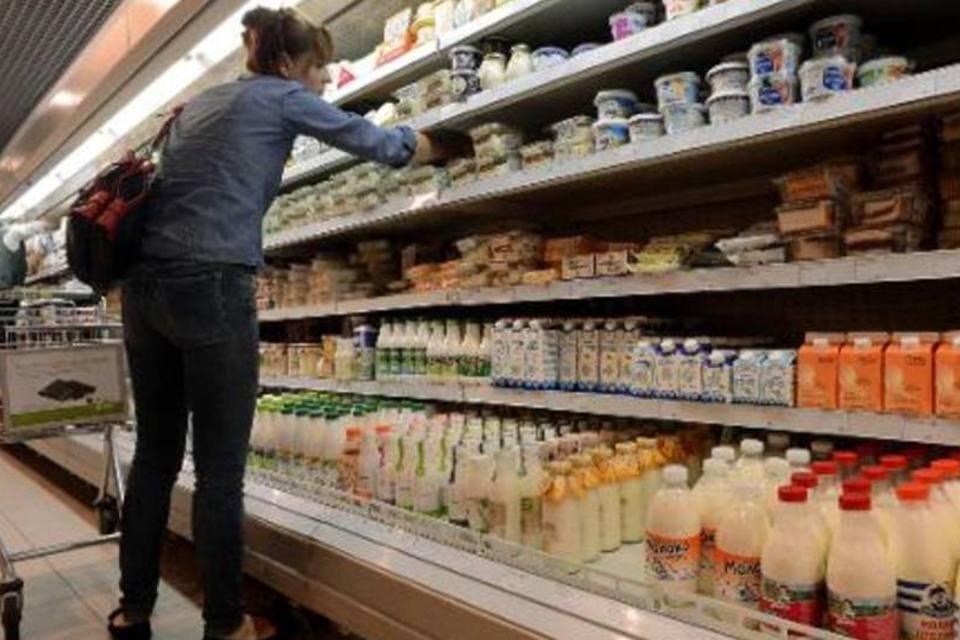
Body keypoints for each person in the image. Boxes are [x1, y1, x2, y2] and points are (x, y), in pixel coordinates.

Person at [108, 7, 457, 640]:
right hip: (213, 283)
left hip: (143, 290)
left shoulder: (201, 103)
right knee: (219, 470)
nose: (323, 80)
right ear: (291, 62)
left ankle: (133, 610)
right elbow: (380, 144)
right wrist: (445, 142)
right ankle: (225, 624)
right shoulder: (282, 97)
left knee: (156, 457)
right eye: (320, 67)